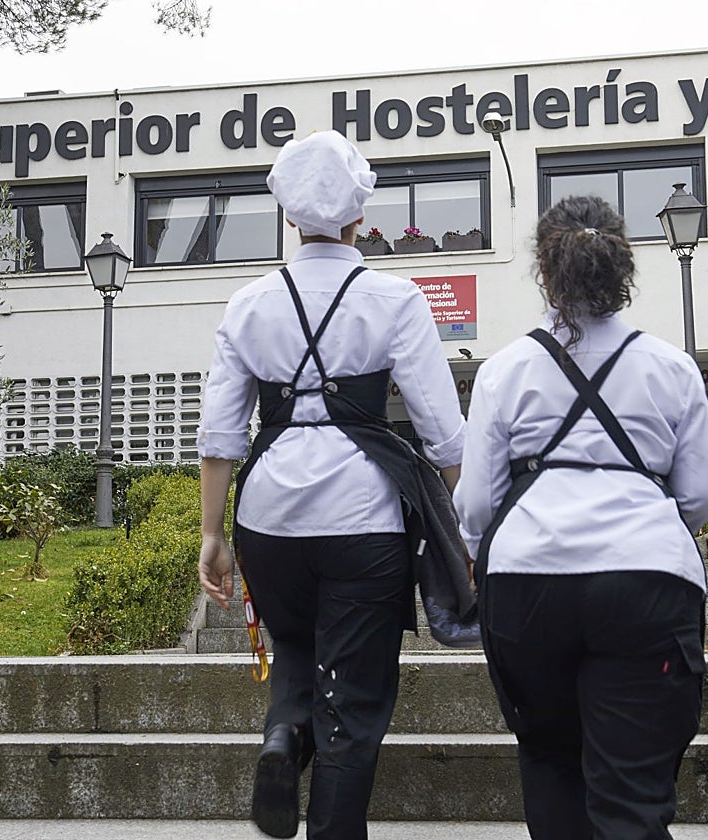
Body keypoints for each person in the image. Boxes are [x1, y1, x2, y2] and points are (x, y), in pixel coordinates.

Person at [196, 130, 465, 840]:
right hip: (363, 519)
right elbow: (442, 431)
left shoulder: (249, 302)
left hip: (269, 515)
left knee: (293, 644)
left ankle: (284, 734)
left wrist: (212, 536)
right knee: (358, 695)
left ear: (288, 214)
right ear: (360, 214)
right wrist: (468, 527)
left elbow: (221, 435)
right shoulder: (395, 296)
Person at [453, 194, 708, 840]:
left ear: (544, 272)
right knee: (631, 797)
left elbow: (479, 505)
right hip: (646, 584)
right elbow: (700, 495)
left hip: (526, 585)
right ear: (622, 265)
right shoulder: (672, 368)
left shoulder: (506, 371)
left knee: (548, 759)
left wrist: (477, 550)